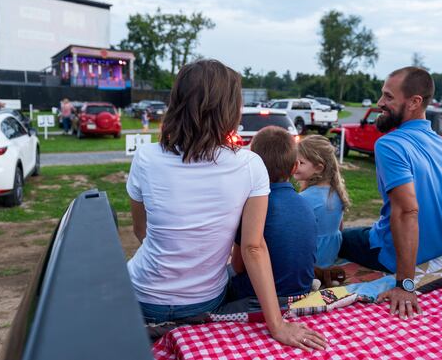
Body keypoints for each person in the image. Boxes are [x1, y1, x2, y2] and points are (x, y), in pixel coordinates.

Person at [126, 60, 326, 352]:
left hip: (142, 295)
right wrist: (277, 325)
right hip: (203, 300)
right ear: (230, 108)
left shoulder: (145, 157)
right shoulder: (249, 165)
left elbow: (140, 230)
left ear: (178, 102)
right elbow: (253, 248)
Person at [338, 66, 442, 320]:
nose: (380, 103)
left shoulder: (390, 145)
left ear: (414, 102)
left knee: (336, 238)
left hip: (392, 257)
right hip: (436, 249)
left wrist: (405, 285)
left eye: (388, 97)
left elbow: (406, 211)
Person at [230, 126, 317, 301]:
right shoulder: (306, 204)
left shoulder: (252, 208)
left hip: (256, 297)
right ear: (295, 167)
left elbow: (238, 266)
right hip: (302, 291)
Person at [294, 135, 350, 268]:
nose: (295, 166)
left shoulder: (304, 198)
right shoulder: (337, 192)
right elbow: (339, 227)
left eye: (301, 163)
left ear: (319, 168)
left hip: (311, 262)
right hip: (330, 257)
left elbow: (296, 236)